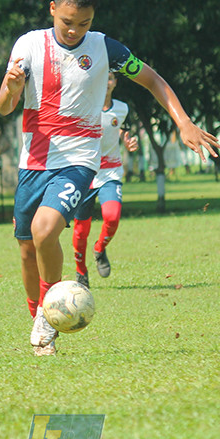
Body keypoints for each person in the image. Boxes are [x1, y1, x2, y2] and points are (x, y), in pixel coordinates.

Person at [0, 0, 220, 355]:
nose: (74, 30)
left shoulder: (105, 48)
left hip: (80, 161)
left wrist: (182, 121)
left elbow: (153, 80)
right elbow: (3, 106)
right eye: (67, 21)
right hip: (33, 161)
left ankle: (47, 320)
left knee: (44, 230)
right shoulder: (29, 45)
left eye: (83, 23)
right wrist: (12, 88)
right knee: (26, 250)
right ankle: (40, 321)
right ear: (53, 9)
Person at [71, 72, 137, 288]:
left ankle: (99, 248)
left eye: (111, 78)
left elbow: (122, 131)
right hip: (85, 173)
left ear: (115, 82)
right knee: (81, 230)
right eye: (104, 77)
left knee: (112, 216)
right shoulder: (84, 105)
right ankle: (81, 272)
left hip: (110, 172)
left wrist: (128, 141)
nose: (107, 82)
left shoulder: (122, 108)